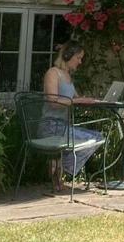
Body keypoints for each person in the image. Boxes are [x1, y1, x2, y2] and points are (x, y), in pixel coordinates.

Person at [41, 42, 104, 190]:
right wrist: (77, 101)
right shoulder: (53, 73)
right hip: (51, 126)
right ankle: (58, 168)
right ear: (67, 55)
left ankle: (58, 166)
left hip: (63, 127)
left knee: (98, 137)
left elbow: (76, 99)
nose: (80, 62)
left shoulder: (68, 77)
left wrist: (93, 101)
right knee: (95, 139)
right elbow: (53, 101)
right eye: (78, 58)